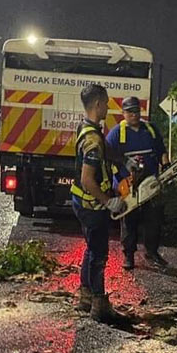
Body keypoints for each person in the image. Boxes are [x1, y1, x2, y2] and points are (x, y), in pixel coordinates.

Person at [69, 83, 130, 325]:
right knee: (99, 255)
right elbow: (87, 179)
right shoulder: (92, 139)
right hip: (92, 207)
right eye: (105, 102)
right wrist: (109, 202)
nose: (108, 106)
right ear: (97, 104)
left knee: (91, 249)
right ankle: (98, 305)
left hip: (82, 204)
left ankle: (85, 297)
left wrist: (124, 160)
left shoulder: (88, 128)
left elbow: (106, 150)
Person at [105, 96, 170, 271]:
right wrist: (121, 170)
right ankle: (128, 255)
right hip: (128, 185)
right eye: (130, 112)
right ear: (123, 113)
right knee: (129, 221)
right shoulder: (117, 133)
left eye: (136, 111)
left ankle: (152, 252)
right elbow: (107, 154)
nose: (133, 115)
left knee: (153, 219)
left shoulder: (150, 129)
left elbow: (161, 150)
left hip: (150, 183)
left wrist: (166, 165)